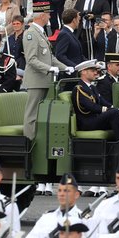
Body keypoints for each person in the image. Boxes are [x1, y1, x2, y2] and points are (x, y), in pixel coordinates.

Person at [23, 8, 68, 141]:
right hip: (36, 80)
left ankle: (37, 141)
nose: (49, 17)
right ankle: (29, 143)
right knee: (32, 115)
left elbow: (50, 57)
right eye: (48, 14)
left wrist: (66, 68)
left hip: (44, 80)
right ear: (42, 16)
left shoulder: (40, 32)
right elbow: (31, 59)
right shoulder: (31, 33)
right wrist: (49, 68)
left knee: (39, 114)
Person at [73, 59, 119, 139]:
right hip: (86, 122)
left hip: (94, 119)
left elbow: (102, 101)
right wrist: (109, 109)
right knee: (114, 113)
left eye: (96, 70)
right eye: (92, 70)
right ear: (83, 72)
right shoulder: (79, 89)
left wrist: (114, 107)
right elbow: (91, 106)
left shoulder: (92, 87)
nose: (96, 73)